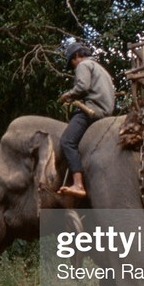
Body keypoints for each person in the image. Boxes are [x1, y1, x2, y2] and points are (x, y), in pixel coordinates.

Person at [57, 43, 115, 198]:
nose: (73, 65)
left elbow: (82, 86)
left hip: (92, 110)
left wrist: (67, 95)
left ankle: (78, 183)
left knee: (67, 141)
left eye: (72, 62)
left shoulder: (83, 65)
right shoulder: (100, 68)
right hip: (106, 110)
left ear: (76, 56)